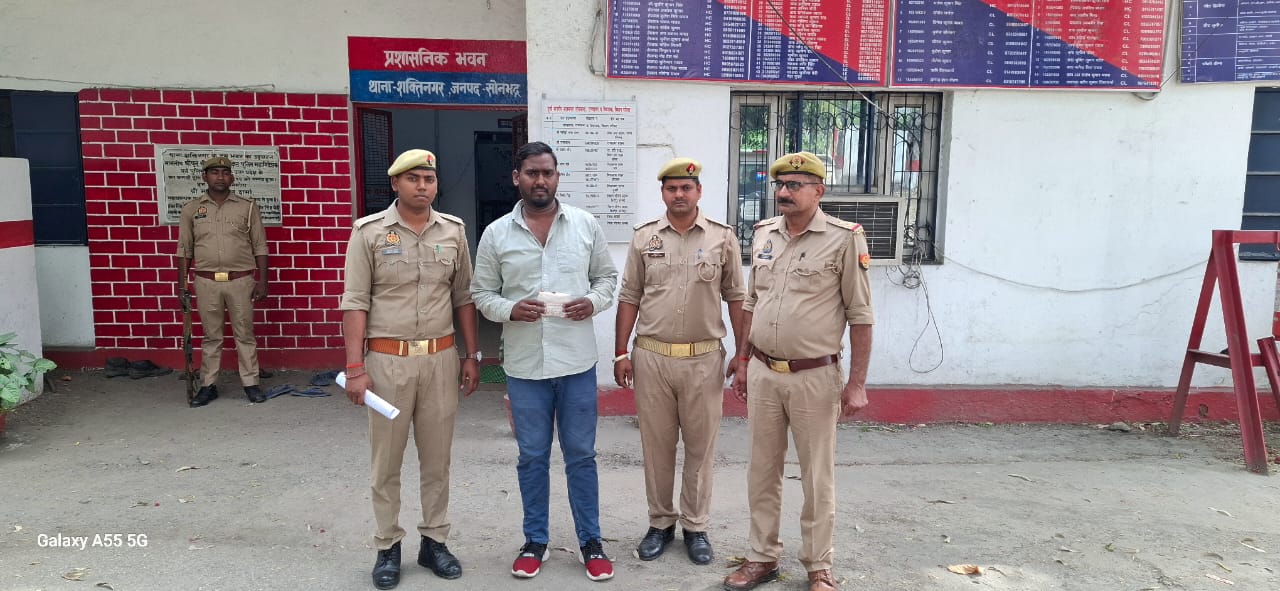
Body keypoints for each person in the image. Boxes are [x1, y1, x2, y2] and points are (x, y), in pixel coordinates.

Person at [723, 152, 874, 591]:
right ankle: (761, 557)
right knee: (762, 471)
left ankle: (818, 566)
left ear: (818, 191)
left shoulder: (844, 239)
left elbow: (860, 315)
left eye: (795, 185)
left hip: (815, 376)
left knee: (816, 476)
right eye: (780, 185)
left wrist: (857, 383)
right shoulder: (764, 234)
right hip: (764, 372)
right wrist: (743, 361)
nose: (784, 192)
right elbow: (752, 302)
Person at [471, 141, 619, 582]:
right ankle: (535, 541)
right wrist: (510, 309)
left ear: (557, 176)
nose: (541, 180)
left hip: (576, 365)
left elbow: (606, 278)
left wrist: (592, 302)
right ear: (516, 177)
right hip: (525, 368)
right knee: (532, 456)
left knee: (581, 456)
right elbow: (481, 293)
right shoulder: (497, 234)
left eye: (548, 172)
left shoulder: (585, 225)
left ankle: (591, 542)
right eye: (532, 173)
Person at [339, 149, 481, 590]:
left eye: (429, 179)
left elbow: (463, 297)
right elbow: (355, 301)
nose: (423, 186)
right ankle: (388, 545)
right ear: (395, 184)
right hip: (387, 362)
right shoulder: (368, 232)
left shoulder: (453, 231)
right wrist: (355, 367)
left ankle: (434, 541)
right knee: (387, 461)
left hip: (440, 360)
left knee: (437, 459)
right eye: (413, 178)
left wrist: (472, 355)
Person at [613, 157, 744, 565]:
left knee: (701, 449)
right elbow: (629, 296)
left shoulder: (722, 237)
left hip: (704, 359)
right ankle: (660, 523)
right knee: (657, 448)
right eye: (672, 188)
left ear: (698, 191)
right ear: (663, 193)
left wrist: (743, 353)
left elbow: (736, 297)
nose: (679, 194)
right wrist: (621, 352)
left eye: (686, 187)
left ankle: (696, 526)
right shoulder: (644, 238)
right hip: (652, 357)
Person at [175, 156, 269, 406]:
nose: (220, 177)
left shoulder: (248, 207)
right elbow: (184, 249)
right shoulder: (191, 209)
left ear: (232, 178)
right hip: (206, 282)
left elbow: (260, 245)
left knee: (244, 334)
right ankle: (208, 385)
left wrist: (262, 281)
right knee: (211, 336)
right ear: (204, 177)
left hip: (241, 280)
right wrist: (182, 285)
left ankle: (251, 383)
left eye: (225, 173)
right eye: (214, 172)